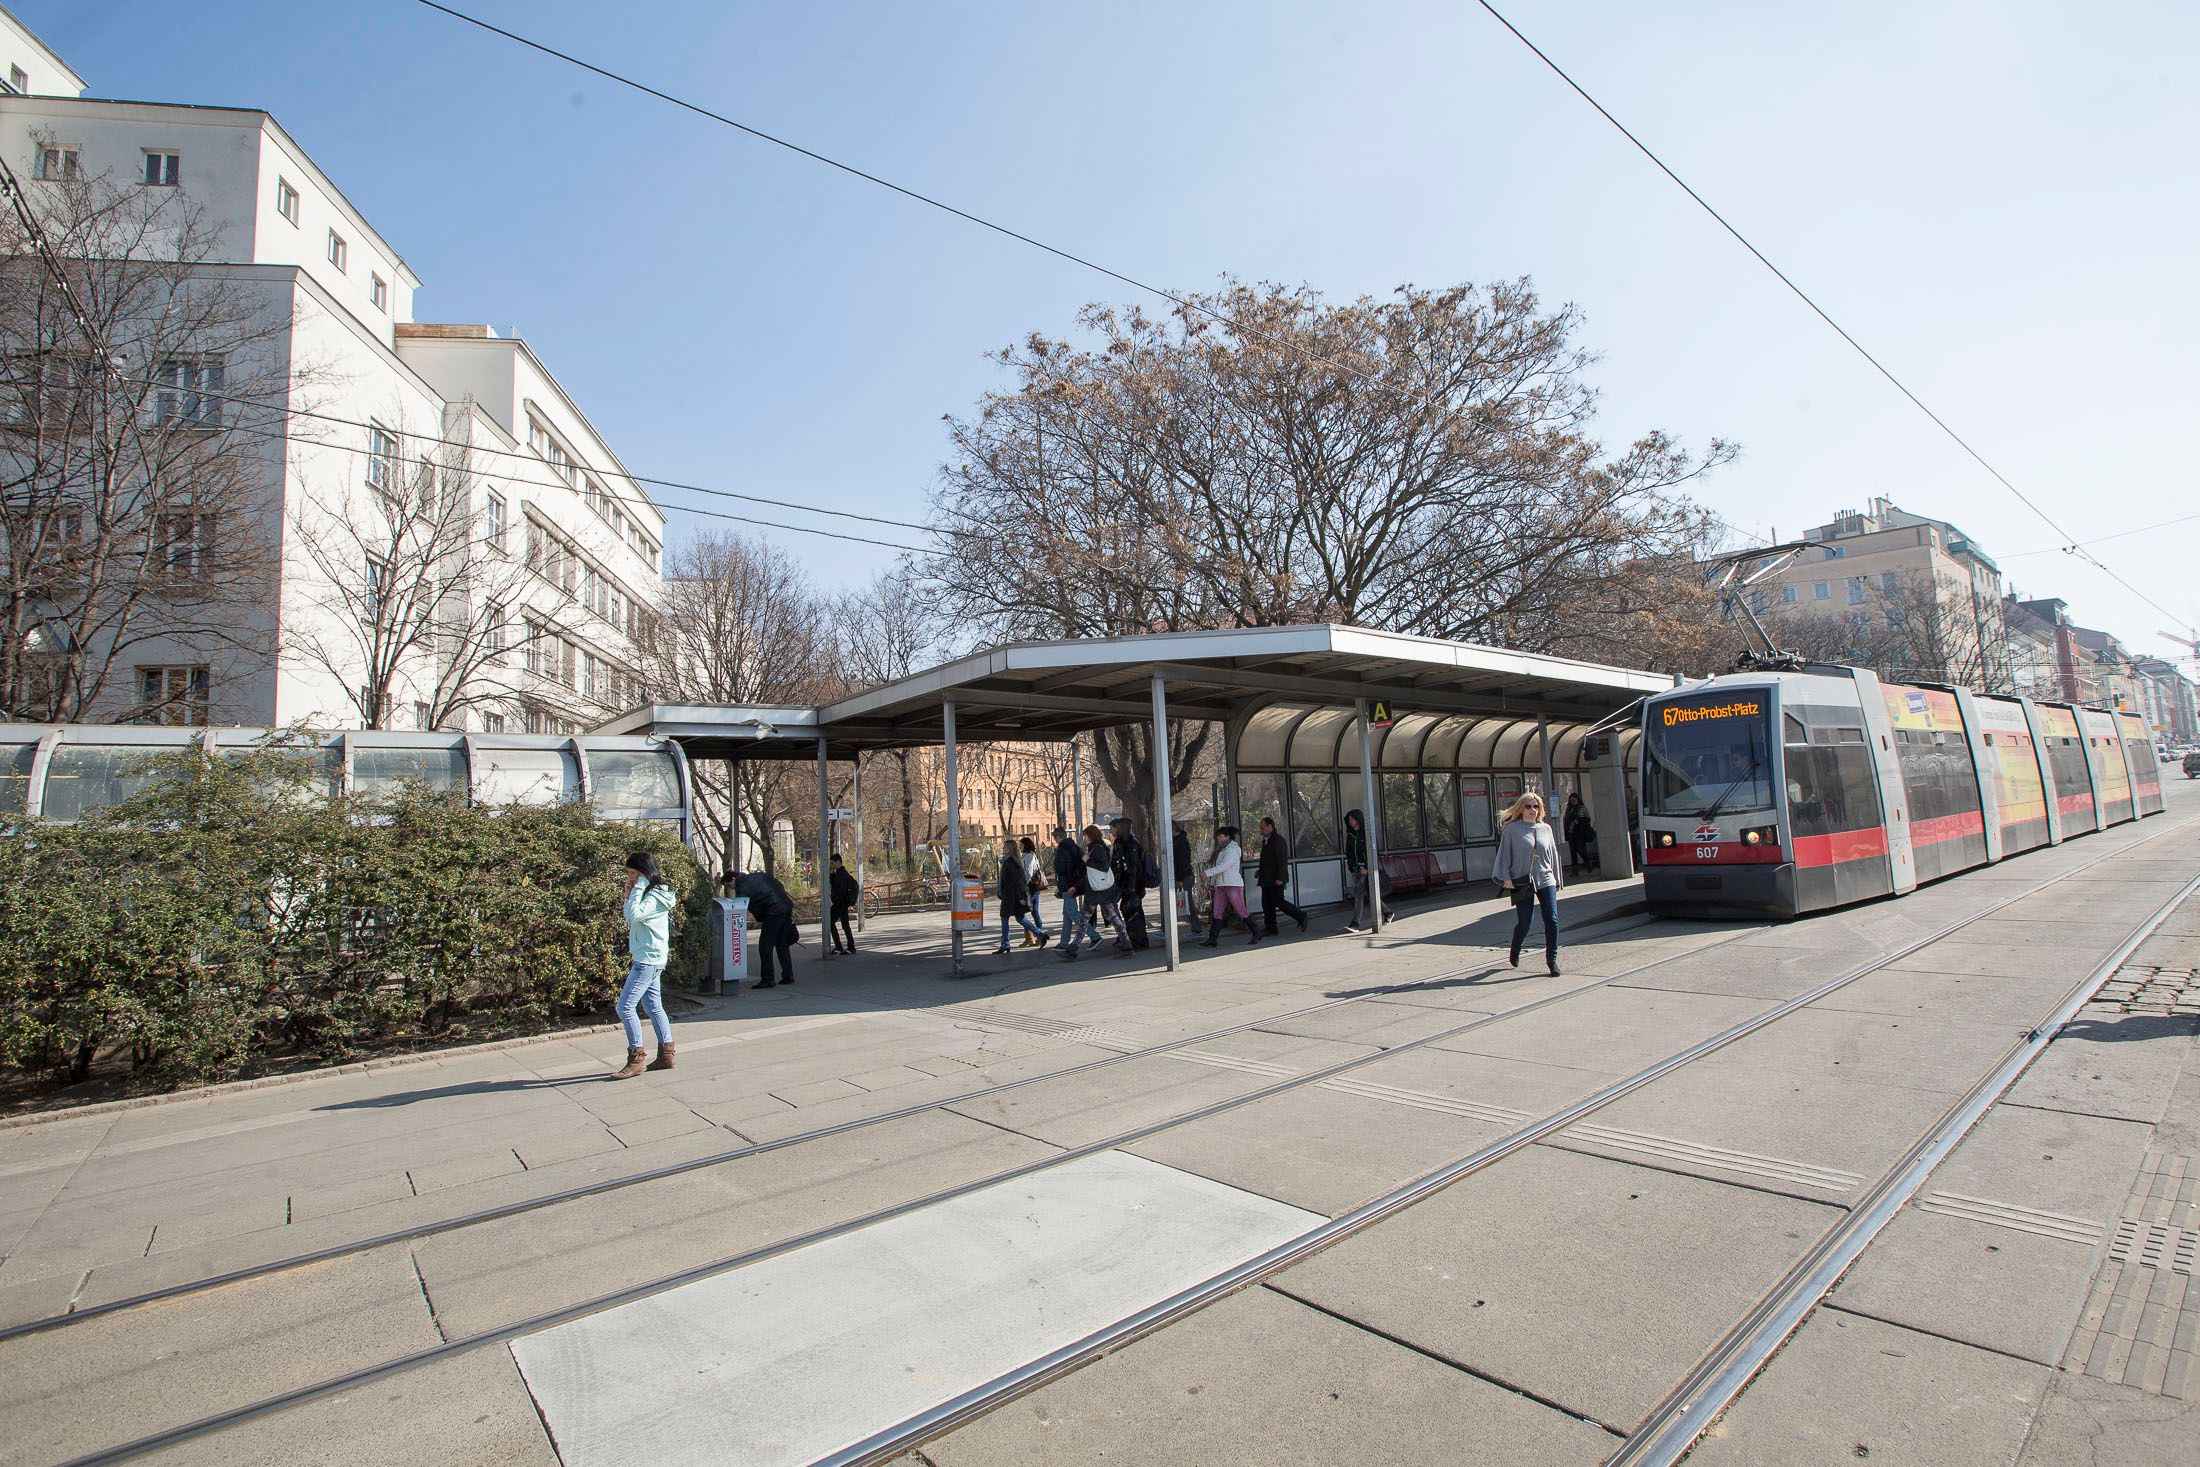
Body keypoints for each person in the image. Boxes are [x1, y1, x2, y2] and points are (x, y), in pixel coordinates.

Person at [610, 851, 678, 1080]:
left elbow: (632, 915)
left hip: (647, 959)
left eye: (632, 873)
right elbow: (631, 914)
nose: (629, 877)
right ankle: (667, 1054)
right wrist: (631, 893)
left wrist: (637, 889)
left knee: (625, 1007)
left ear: (644, 873)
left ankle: (636, 1057)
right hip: (650, 956)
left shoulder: (654, 895)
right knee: (653, 1005)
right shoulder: (653, 893)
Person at [1493, 791, 1563, 976]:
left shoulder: (1545, 829)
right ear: (1521, 808)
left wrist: (1557, 878)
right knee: (1525, 923)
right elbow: (1504, 854)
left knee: (1552, 920)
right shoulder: (1512, 829)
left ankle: (1552, 960)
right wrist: (1506, 877)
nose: (1532, 810)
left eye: (1536, 806)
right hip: (1522, 881)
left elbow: (1553, 854)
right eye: (1528, 806)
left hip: (1545, 878)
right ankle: (1515, 948)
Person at [1072, 823, 1132, 959]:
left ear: (1090, 836)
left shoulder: (1096, 849)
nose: (1084, 839)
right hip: (1102, 891)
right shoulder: (1097, 848)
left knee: (1085, 920)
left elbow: (1103, 867)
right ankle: (1127, 943)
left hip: (1097, 892)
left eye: (1085, 836)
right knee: (1112, 918)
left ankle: (1073, 947)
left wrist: (1087, 861)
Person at [730, 867, 798, 988]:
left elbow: (738, 908)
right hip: (786, 907)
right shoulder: (758, 875)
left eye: (729, 884)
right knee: (782, 944)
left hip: (773, 912)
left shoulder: (742, 887)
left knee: (765, 946)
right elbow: (778, 884)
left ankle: (768, 979)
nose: (731, 888)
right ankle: (788, 975)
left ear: (733, 878)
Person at [1199, 825, 1260, 946]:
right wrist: (1213, 882)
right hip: (1222, 884)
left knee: (1240, 910)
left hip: (1232, 884)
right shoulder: (1224, 849)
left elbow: (1224, 866)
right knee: (1217, 911)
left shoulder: (1231, 850)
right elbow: (1221, 867)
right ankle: (1213, 939)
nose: (1218, 838)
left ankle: (1256, 932)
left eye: (1220, 836)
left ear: (1227, 837)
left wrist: (1207, 873)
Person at [1341, 808, 1393, 932]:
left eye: (1353, 819)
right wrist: (1351, 868)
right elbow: (1349, 853)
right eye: (1349, 819)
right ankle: (1387, 912)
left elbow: (1371, 852)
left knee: (1358, 894)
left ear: (1358, 819)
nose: (1351, 821)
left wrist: (1368, 868)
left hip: (1365, 869)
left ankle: (1355, 923)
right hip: (1356, 870)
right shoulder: (1350, 835)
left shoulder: (1366, 834)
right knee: (1370, 894)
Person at [1255, 816, 1307, 936]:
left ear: (1270, 827)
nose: (1261, 830)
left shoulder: (1278, 841)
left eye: (1263, 827)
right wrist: (1260, 871)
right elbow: (1267, 860)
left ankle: (1301, 915)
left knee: (1279, 902)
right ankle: (1271, 928)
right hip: (1266, 878)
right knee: (1267, 904)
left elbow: (1281, 860)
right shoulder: (1266, 840)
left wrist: (1280, 878)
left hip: (1275, 878)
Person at [1051, 826, 1096, 953]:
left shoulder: (1062, 849)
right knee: (1067, 914)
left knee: (1073, 913)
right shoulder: (1075, 847)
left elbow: (1060, 868)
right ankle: (1064, 942)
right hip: (1074, 883)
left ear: (1057, 837)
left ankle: (1094, 936)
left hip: (1066, 885)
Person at [1111, 817, 1152, 951]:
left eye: (1115, 827)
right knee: (1131, 912)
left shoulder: (1132, 844)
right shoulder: (1120, 843)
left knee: (1133, 912)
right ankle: (1138, 940)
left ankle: (1137, 941)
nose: (1113, 830)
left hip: (1133, 885)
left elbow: (1134, 867)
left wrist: (1132, 887)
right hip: (1126, 884)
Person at [1171, 822, 1206, 941]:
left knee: (1187, 903)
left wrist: (1180, 879)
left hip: (1184, 877)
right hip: (1184, 876)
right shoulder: (1179, 840)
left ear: (1174, 829)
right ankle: (1195, 929)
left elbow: (1182, 863)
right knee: (1185, 903)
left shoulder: (1180, 843)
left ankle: (1197, 929)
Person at [827, 853, 859, 954]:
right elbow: (834, 885)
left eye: (832, 863)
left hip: (839, 903)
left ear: (838, 862)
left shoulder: (842, 875)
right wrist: (831, 874)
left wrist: (835, 900)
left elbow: (839, 890)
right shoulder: (841, 874)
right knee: (845, 924)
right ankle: (850, 947)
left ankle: (839, 946)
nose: (830, 865)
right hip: (843, 903)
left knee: (830, 922)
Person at [1562, 795, 1597, 875]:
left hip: (1580, 832)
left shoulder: (1582, 808)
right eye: (1571, 800)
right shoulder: (1569, 809)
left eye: (1574, 800)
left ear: (1578, 800)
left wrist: (1578, 821)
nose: (1573, 802)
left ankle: (1588, 863)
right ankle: (1575, 870)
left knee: (1581, 849)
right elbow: (1566, 819)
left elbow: (1588, 819)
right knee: (1573, 851)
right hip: (1571, 832)